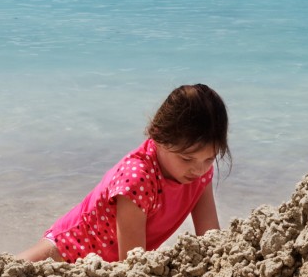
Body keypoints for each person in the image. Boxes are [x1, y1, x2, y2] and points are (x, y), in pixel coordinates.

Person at [21, 84, 227, 262]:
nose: (199, 169)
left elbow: (209, 238)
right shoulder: (138, 178)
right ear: (158, 137)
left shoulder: (198, 172)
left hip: (106, 266)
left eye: (210, 158)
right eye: (187, 158)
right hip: (66, 250)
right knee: (3, 275)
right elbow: (131, 262)